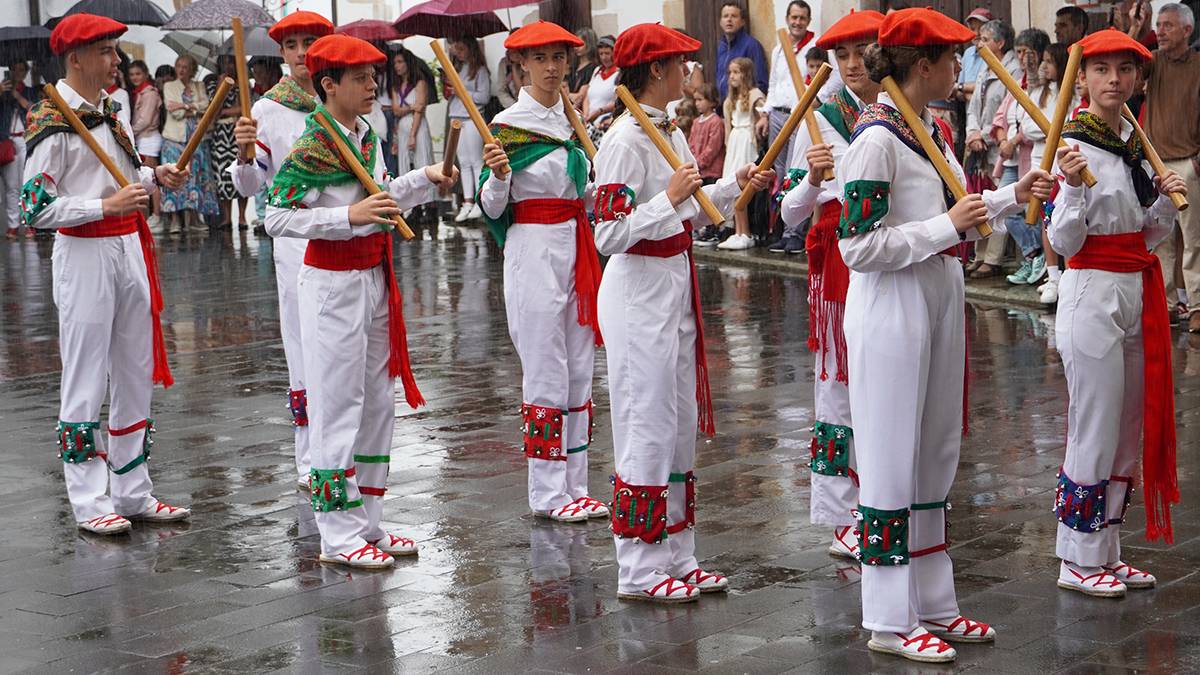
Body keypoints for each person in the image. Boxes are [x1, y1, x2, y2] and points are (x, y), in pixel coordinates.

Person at [839, 8, 1052, 662]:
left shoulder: (927, 126)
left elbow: (962, 207)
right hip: (890, 305)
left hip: (934, 294)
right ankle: (888, 616)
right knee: (891, 460)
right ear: (922, 65)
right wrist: (943, 229)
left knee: (934, 457)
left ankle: (933, 603)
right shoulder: (875, 138)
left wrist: (1018, 196)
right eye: (951, 58)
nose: (960, 68)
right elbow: (856, 245)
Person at [593, 22, 773, 603]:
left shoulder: (664, 127)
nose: (689, 71)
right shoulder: (623, 138)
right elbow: (607, 233)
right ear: (654, 71)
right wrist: (667, 199)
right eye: (679, 63)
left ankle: (677, 552)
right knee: (644, 424)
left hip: (672, 282)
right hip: (636, 290)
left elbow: (690, 206)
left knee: (675, 426)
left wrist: (728, 187)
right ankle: (639, 568)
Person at [264, 34, 455, 568]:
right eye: (361, 78)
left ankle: (369, 521)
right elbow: (274, 216)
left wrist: (424, 180)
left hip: (373, 279)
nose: (374, 85)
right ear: (329, 84)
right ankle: (338, 534)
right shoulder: (313, 145)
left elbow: (382, 192)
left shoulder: (365, 133)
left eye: (375, 75)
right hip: (330, 287)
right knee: (336, 407)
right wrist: (344, 218)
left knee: (376, 405)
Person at [19, 14, 191, 534]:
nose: (117, 60)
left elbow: (125, 173)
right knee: (86, 377)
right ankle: (91, 501)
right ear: (76, 59)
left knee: (134, 373)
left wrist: (155, 175)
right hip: (85, 256)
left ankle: (133, 489)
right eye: (107, 52)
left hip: (130, 248)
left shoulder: (111, 109)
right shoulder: (52, 120)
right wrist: (103, 205)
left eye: (115, 51)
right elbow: (34, 209)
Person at [1047, 28, 1187, 598]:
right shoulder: (1070, 142)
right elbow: (1060, 236)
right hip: (1092, 289)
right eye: (1101, 70)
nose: (1114, 80)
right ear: (1083, 79)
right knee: (1095, 423)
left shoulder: (1133, 139)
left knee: (1128, 424)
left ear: (1137, 78)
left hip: (1135, 285)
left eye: (1124, 71)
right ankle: (1075, 558)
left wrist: (1163, 200)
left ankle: (1107, 546)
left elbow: (1146, 233)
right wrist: (1073, 187)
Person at [476, 20, 609, 525]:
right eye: (543, 59)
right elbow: (492, 207)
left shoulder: (573, 120)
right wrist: (499, 175)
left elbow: (586, 193)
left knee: (580, 363)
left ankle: (576, 482)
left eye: (560, 58)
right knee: (545, 365)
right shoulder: (508, 127)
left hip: (577, 248)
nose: (554, 68)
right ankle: (547, 490)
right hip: (532, 250)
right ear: (521, 67)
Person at [778, 9, 884, 561]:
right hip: (838, 266)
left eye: (861, 51)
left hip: (892, 259)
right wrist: (815, 180)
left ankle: (886, 498)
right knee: (838, 390)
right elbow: (790, 213)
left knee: (885, 384)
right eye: (840, 55)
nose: (851, 64)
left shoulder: (904, 110)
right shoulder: (819, 118)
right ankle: (843, 513)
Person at [231, 11, 334, 492]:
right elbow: (254, 185)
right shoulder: (269, 110)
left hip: (346, 238)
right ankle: (309, 459)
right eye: (291, 45)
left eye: (309, 43)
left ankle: (342, 450)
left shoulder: (341, 100)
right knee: (302, 342)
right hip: (296, 243)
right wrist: (246, 153)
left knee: (343, 347)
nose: (299, 53)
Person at [1141, 4, 1200, 331]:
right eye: (1158, 25)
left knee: (1194, 240)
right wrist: (1136, 29)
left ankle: (1196, 307)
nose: (1160, 31)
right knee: (1160, 239)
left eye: (1167, 26)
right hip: (1156, 163)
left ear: (1187, 31)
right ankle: (1164, 305)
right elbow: (1131, 72)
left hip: (1189, 163)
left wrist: (1198, 162)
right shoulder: (1153, 61)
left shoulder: (1198, 65)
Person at [760, 1, 841, 204]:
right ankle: (777, 223)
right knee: (776, 170)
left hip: (801, 116)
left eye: (802, 18)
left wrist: (817, 99)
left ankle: (793, 229)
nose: (797, 22)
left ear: (809, 21)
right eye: (794, 17)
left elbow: (836, 77)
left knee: (794, 169)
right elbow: (773, 84)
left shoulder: (818, 46)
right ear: (787, 19)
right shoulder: (779, 48)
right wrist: (765, 113)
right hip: (777, 115)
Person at [1011, 43, 1074, 305]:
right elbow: (1028, 126)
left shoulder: (1068, 94)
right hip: (1039, 162)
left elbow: (1066, 125)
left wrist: (1050, 129)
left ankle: (1070, 275)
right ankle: (1053, 275)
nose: (1044, 66)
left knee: (1067, 217)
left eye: (1050, 61)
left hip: (1062, 163)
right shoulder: (1040, 93)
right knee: (1046, 219)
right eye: (1043, 61)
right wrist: (1050, 129)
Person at [996, 28, 1052, 288]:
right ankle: (1033, 255)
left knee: (1037, 211)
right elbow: (1000, 116)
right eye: (1018, 52)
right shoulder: (1016, 82)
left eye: (1026, 53)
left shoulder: (1045, 86)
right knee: (1005, 207)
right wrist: (1002, 139)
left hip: (1032, 158)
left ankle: (1042, 262)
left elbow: (1036, 124)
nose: (1021, 58)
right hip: (1011, 158)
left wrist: (1016, 139)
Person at [965, 19, 1021, 279]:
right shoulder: (985, 69)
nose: (979, 44)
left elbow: (1007, 111)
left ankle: (994, 259)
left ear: (1000, 43)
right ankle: (979, 255)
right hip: (980, 144)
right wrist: (973, 132)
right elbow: (973, 107)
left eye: (985, 39)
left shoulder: (1013, 70)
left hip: (1001, 145)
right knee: (980, 198)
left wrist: (986, 136)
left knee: (1000, 199)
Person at [160, 54, 217, 233]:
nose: (181, 70)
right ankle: (175, 219)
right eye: (178, 66)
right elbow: (172, 111)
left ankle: (194, 218)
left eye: (185, 67)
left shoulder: (199, 86)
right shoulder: (169, 86)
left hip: (196, 137)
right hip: (174, 139)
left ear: (192, 69)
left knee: (196, 178)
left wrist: (184, 106)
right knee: (173, 177)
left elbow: (206, 106)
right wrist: (193, 107)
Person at [716, 57, 764, 251]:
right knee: (733, 188)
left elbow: (762, 115)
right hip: (735, 142)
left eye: (736, 72)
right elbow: (729, 124)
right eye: (730, 73)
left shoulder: (754, 95)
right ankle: (738, 231)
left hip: (746, 142)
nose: (732, 76)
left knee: (744, 188)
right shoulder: (730, 100)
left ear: (746, 74)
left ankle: (747, 233)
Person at [445, 37, 490, 223]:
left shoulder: (480, 71)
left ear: (471, 49)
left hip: (472, 119)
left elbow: (484, 97)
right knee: (463, 163)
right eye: (456, 49)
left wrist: (462, 90)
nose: (458, 53)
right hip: (456, 117)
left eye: (462, 49)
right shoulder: (457, 68)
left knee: (476, 161)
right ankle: (468, 202)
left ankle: (480, 201)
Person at [387, 47, 436, 216]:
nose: (397, 66)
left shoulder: (419, 83)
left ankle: (428, 205)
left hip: (418, 127)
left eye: (400, 62)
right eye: (395, 63)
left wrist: (412, 135)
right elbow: (396, 110)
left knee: (423, 162)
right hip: (402, 129)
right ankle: (412, 207)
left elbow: (420, 109)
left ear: (408, 63)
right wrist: (410, 107)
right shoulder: (396, 85)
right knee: (405, 166)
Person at [207, 54, 246, 230]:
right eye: (224, 63)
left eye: (231, 62)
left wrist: (227, 110)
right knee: (223, 176)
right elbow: (213, 110)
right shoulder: (213, 85)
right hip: (221, 135)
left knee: (241, 172)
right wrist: (222, 89)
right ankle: (227, 217)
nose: (228, 66)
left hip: (237, 131)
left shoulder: (242, 85)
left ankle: (242, 217)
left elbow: (245, 108)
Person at [2, 60, 33, 239]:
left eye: (22, 70)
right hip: (8, 141)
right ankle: (13, 225)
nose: (18, 72)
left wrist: (17, 96)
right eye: (15, 69)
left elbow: (33, 109)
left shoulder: (31, 90)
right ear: (10, 70)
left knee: (27, 182)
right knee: (12, 185)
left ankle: (29, 223)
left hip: (26, 139)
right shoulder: (2, 91)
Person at [716, 1, 768, 99]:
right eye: (725, 16)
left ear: (743, 22)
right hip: (724, 108)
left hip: (743, 107)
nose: (729, 20)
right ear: (720, 22)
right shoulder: (721, 47)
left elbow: (761, 83)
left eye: (734, 16)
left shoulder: (752, 45)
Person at [580, 35, 618, 144]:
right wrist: (587, 115)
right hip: (590, 122)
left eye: (607, 53)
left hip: (604, 123)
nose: (604, 57)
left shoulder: (619, 73)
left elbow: (618, 101)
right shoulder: (597, 71)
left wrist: (599, 112)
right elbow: (587, 96)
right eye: (601, 54)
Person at [688, 83, 724, 188]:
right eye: (695, 100)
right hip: (698, 172)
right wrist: (693, 161)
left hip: (711, 172)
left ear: (711, 101)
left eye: (700, 100)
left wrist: (700, 163)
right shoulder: (695, 122)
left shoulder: (716, 122)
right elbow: (691, 143)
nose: (696, 103)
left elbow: (713, 148)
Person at [954, 7, 993, 102]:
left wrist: (961, 87)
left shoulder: (995, 53)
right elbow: (957, 93)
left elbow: (988, 88)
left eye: (981, 29)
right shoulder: (968, 54)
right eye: (972, 29)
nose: (976, 33)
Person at [567, 27, 598, 107]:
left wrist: (567, 95)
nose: (576, 47)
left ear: (589, 44)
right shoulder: (573, 66)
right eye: (575, 44)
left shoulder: (593, 68)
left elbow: (580, 96)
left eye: (580, 44)